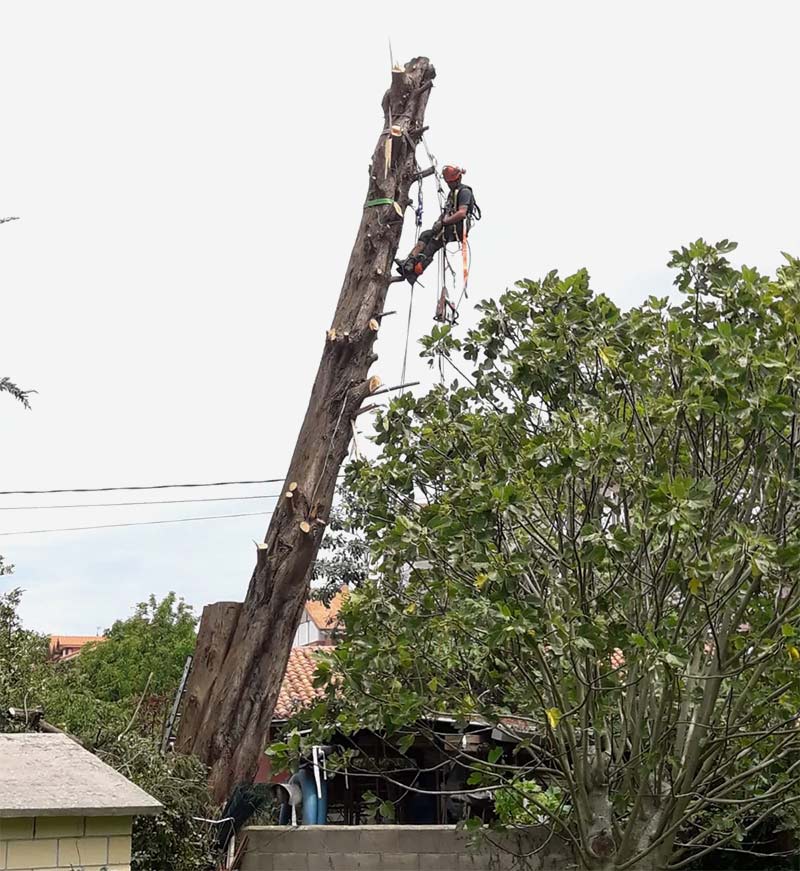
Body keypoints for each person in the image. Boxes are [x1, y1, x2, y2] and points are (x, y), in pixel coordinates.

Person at [393, 165, 479, 284]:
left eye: (451, 182)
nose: (449, 185)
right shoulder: (452, 193)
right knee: (426, 235)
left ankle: (416, 271)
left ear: (458, 179)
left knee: (434, 243)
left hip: (458, 228)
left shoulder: (464, 192)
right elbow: (447, 212)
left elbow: (462, 213)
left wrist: (444, 222)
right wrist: (438, 222)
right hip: (448, 225)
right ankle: (409, 261)